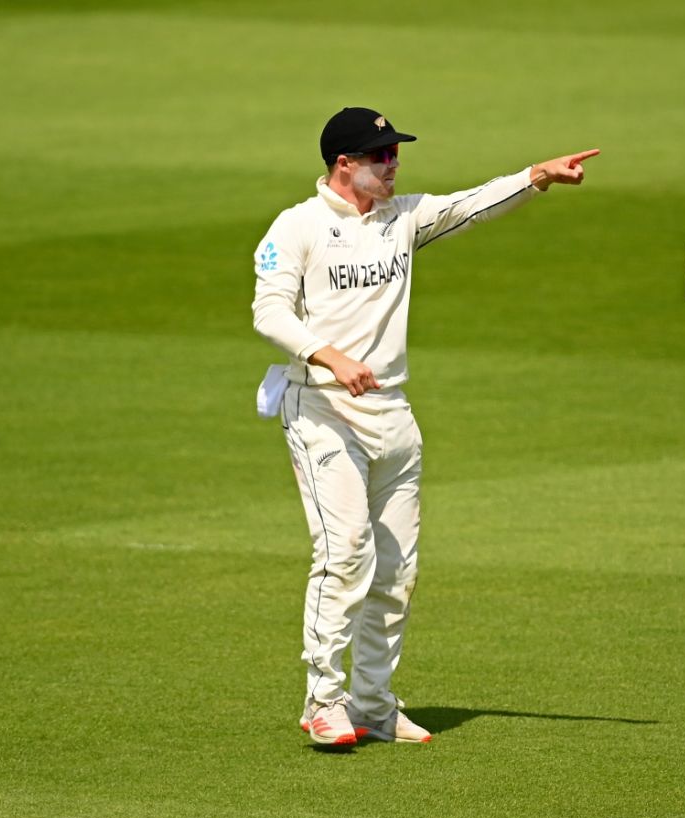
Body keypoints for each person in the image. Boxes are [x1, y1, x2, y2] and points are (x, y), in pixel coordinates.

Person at [252, 106, 598, 747]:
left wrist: (538, 176)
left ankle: (374, 705)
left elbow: (471, 205)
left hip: (392, 413)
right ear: (343, 164)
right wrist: (331, 356)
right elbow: (269, 312)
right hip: (323, 409)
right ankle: (322, 700)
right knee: (345, 551)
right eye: (380, 156)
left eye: (395, 153)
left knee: (397, 571)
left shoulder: (401, 217)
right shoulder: (296, 227)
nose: (394, 163)